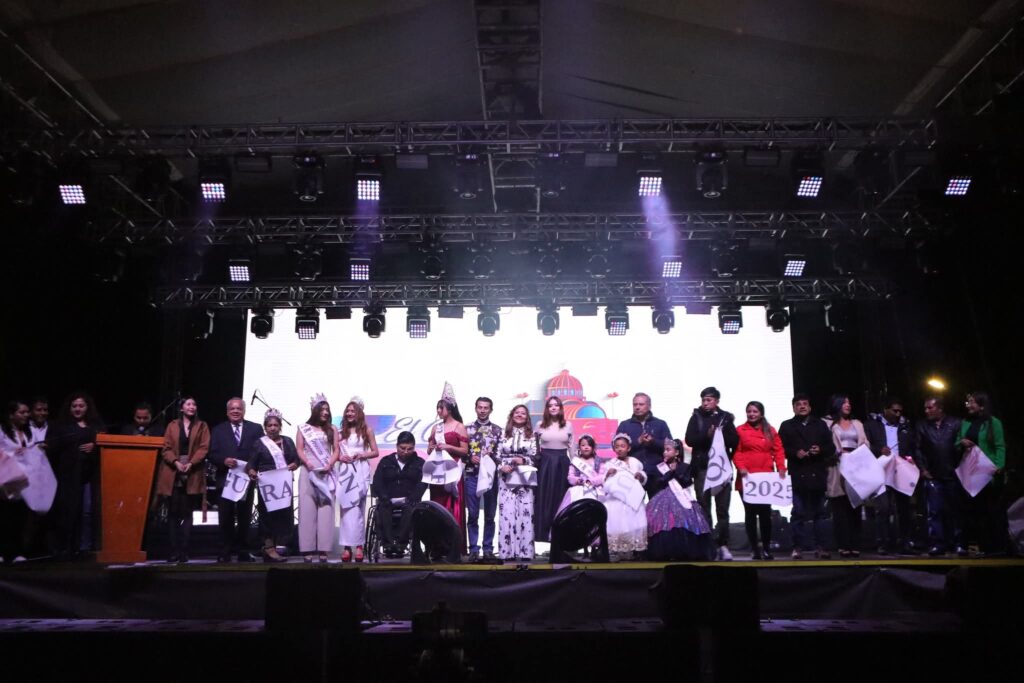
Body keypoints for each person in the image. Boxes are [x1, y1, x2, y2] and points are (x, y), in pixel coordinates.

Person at [46, 391, 105, 560]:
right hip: (68, 476)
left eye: (81, 406)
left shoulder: (95, 425)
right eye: (74, 406)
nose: (77, 409)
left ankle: (84, 547)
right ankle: (64, 548)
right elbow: (53, 446)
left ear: (87, 407)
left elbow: (105, 442)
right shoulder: (61, 426)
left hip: (90, 477)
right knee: (68, 511)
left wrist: (95, 445)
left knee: (87, 511)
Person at [208, 397, 265, 563]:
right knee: (225, 517)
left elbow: (261, 451)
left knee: (244, 516)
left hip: (246, 479)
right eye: (232, 409)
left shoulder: (255, 429)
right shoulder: (218, 430)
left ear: (244, 411)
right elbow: (211, 453)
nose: (235, 411)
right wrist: (223, 460)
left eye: (239, 408)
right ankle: (224, 551)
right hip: (225, 478)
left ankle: (243, 551)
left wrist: (253, 467)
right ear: (227, 412)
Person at [685, 386, 739, 561]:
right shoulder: (696, 417)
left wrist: (719, 435)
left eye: (709, 400)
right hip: (702, 468)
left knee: (722, 509)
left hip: (721, 469)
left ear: (717, 401)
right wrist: (706, 435)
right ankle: (708, 545)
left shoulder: (725, 418)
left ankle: (723, 544)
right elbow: (689, 440)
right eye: (703, 400)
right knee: (704, 507)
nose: (705, 403)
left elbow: (734, 440)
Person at [778, 394, 835, 559]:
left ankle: (821, 547)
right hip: (798, 474)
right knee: (798, 513)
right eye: (798, 404)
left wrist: (820, 450)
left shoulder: (820, 424)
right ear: (793, 408)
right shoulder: (787, 425)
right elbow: (781, 448)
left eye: (805, 404)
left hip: (817, 473)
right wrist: (795, 453)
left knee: (820, 513)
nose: (802, 406)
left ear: (810, 407)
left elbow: (830, 447)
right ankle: (797, 547)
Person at [154, 396, 209, 563]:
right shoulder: (172, 425)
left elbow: (204, 447)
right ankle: (173, 550)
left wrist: (191, 463)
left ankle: (184, 550)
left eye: (194, 404)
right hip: (173, 471)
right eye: (188, 404)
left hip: (192, 471)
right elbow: (166, 448)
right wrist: (176, 462)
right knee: (173, 512)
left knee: (187, 512)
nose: (192, 406)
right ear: (181, 408)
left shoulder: (202, 426)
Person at [733, 401, 786, 560]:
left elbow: (778, 450)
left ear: (761, 414)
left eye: (755, 411)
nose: (751, 414)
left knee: (765, 514)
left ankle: (767, 548)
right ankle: (754, 549)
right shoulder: (740, 430)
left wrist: (781, 467)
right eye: (749, 411)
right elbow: (736, 451)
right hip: (747, 478)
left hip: (765, 478)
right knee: (750, 513)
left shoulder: (770, 430)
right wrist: (741, 467)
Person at [913, 397, 966, 556]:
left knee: (955, 510)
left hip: (953, 474)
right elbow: (917, 449)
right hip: (933, 475)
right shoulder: (922, 425)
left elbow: (962, 449)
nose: (926, 411)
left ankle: (958, 543)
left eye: (930, 408)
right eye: (925, 408)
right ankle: (938, 543)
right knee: (935, 511)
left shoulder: (956, 423)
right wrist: (923, 469)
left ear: (940, 408)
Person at [864, 397, 917, 554]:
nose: (898, 414)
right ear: (885, 410)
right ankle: (883, 543)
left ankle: (904, 543)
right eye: (895, 411)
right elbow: (865, 446)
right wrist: (879, 450)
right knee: (884, 508)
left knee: (904, 508)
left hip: (901, 470)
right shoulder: (872, 425)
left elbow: (912, 446)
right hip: (881, 470)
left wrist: (910, 458)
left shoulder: (905, 426)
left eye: (900, 411)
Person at [646, 438, 713, 561]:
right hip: (664, 497)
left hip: (682, 496)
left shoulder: (684, 466)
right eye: (664, 450)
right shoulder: (660, 467)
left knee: (684, 518)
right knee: (665, 520)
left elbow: (686, 481)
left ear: (676, 452)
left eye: (668, 450)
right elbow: (658, 483)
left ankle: (686, 550)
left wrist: (675, 471)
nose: (665, 453)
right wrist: (669, 472)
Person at [246, 408, 298, 563]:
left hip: (283, 485)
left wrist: (295, 464)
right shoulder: (259, 443)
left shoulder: (287, 441)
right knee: (267, 516)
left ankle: (277, 545)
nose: (273, 428)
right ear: (265, 427)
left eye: (276, 425)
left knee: (283, 515)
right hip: (267, 485)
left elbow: (296, 459)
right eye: (270, 425)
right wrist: (252, 471)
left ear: (280, 426)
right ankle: (268, 547)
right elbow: (251, 463)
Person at [959, 391, 1007, 557]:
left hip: (990, 472)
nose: (968, 405)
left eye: (972, 402)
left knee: (993, 511)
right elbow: (957, 441)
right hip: (973, 473)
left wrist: (999, 465)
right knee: (977, 512)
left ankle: (998, 547)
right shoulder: (965, 422)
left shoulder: (993, 422)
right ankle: (983, 546)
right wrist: (961, 442)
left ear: (981, 405)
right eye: (968, 402)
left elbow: (1000, 446)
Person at [296, 394, 339, 562]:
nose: (326, 412)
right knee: (307, 509)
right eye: (322, 409)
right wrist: (307, 462)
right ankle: (307, 549)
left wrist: (330, 464)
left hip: (326, 471)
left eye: (327, 409)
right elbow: (300, 449)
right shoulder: (303, 428)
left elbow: (336, 450)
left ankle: (323, 549)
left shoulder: (332, 429)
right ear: (315, 410)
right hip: (308, 471)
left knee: (326, 510)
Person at [823, 394, 868, 558]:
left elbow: (865, 443)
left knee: (855, 506)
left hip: (856, 466)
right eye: (844, 402)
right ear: (836, 404)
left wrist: (859, 454)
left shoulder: (857, 423)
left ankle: (855, 543)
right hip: (837, 466)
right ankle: (842, 544)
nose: (848, 405)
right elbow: (825, 444)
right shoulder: (827, 423)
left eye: (849, 402)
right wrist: (836, 452)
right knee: (839, 507)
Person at [426, 385, 469, 552]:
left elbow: (464, 451)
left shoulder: (459, 426)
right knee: (437, 505)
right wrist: (432, 448)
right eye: (437, 408)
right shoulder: (436, 428)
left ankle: (453, 546)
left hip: (453, 470)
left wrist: (448, 447)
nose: (438, 411)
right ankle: (437, 546)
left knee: (452, 505)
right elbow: (429, 449)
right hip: (438, 470)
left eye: (441, 408)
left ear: (450, 409)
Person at [371, 431, 427, 559]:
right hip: (388, 498)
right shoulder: (386, 461)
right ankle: (388, 544)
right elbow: (377, 481)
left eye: (410, 449)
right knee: (383, 509)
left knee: (411, 509)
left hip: (409, 499)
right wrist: (383, 496)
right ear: (397, 446)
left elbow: (423, 483)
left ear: (414, 447)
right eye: (402, 448)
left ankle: (402, 544)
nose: (406, 452)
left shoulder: (419, 463)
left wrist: (414, 497)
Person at [336, 397, 379, 563]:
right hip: (345, 472)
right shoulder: (341, 433)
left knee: (358, 508)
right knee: (346, 508)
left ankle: (359, 546)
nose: (349, 413)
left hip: (360, 470)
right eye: (347, 411)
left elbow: (375, 451)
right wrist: (340, 457)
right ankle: (347, 547)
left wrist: (362, 454)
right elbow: (334, 454)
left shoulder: (367, 430)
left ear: (359, 412)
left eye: (352, 411)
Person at [498, 404, 537, 561]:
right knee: (507, 513)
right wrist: (502, 466)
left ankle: (525, 552)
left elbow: (537, 457)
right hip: (506, 476)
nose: (520, 415)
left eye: (523, 413)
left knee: (526, 513)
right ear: (512, 415)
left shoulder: (533, 436)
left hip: (525, 477)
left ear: (527, 417)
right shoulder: (502, 433)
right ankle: (506, 552)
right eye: (517, 412)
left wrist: (524, 460)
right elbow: (496, 455)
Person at [534, 395, 574, 546]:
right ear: (547, 408)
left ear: (560, 408)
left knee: (561, 498)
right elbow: (535, 447)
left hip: (563, 464)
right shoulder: (539, 425)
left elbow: (572, 448)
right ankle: (543, 535)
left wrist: (575, 467)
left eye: (556, 405)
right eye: (550, 405)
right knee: (544, 499)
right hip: (544, 464)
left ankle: (561, 537)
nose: (553, 407)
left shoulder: (568, 425)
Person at [465, 397, 502, 560]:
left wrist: (492, 456)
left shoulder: (498, 430)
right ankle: (473, 549)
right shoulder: (466, 429)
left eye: (486, 408)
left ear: (491, 410)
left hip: (491, 477)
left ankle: (488, 549)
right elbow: (461, 451)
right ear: (475, 408)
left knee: (490, 515)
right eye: (480, 407)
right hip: (472, 475)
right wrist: (469, 457)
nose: (482, 410)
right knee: (473, 514)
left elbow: (501, 454)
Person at [614, 393, 672, 494]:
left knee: (657, 503)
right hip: (632, 474)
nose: (637, 407)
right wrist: (638, 441)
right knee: (634, 503)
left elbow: (670, 446)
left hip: (656, 473)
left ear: (649, 406)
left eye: (641, 404)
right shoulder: (625, 425)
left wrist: (653, 442)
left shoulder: (660, 424)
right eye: (635, 404)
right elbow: (616, 447)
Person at [602, 433, 648, 560]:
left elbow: (643, 475)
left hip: (633, 499)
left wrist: (640, 476)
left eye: (622, 446)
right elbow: (604, 482)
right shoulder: (610, 463)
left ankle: (633, 550)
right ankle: (616, 550)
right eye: (617, 446)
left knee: (634, 523)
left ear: (629, 448)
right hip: (617, 500)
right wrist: (608, 474)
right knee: (618, 524)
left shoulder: (635, 462)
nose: (620, 449)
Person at [1, 401, 34, 564]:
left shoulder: (29, 432)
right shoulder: (2, 431)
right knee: (4, 516)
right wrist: (13, 453)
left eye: (27, 412)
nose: (26, 415)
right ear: (11, 415)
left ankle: (17, 552)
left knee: (20, 518)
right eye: (22, 412)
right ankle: (2, 552)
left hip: (24, 479)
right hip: (7, 478)